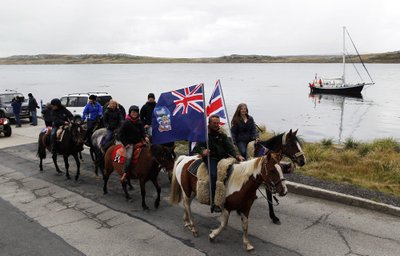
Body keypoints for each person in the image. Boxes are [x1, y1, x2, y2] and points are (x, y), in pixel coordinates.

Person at [193, 115, 245, 212]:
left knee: (233, 171)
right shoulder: (204, 135)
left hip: (222, 158)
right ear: (209, 123)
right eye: (214, 123)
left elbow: (230, 148)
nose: (216, 125)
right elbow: (197, 147)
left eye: (218, 123)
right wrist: (203, 151)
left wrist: (237, 155)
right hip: (210, 158)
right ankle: (213, 201)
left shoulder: (222, 135)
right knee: (213, 175)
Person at [119, 105, 149, 181]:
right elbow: (120, 135)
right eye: (133, 112)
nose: (134, 113)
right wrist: (126, 144)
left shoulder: (139, 122)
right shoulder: (126, 122)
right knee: (129, 157)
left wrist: (145, 137)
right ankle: (125, 173)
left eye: (136, 112)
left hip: (139, 141)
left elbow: (142, 132)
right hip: (130, 143)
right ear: (130, 113)